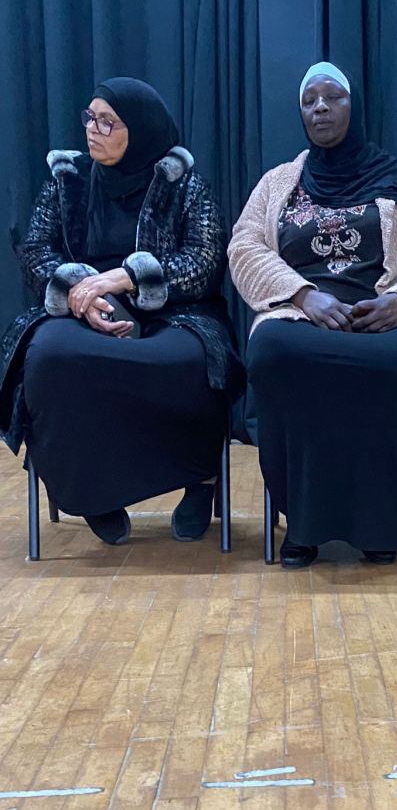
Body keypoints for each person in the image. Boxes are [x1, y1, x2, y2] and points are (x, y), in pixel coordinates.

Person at [228, 61, 397, 568]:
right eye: (310, 101)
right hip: (302, 321)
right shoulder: (278, 183)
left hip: (387, 318)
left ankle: (381, 524)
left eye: (333, 97)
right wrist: (301, 295)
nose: (321, 108)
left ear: (354, 106)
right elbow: (244, 247)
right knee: (272, 352)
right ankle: (303, 523)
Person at [0, 77, 243, 545]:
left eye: (107, 122)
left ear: (141, 128)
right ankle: (93, 494)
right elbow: (34, 251)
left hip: (177, 313)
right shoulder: (67, 181)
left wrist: (128, 277)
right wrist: (80, 292)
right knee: (50, 358)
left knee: (186, 361)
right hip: (81, 312)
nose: (93, 129)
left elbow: (206, 259)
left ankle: (199, 480)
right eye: (90, 118)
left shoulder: (181, 183)